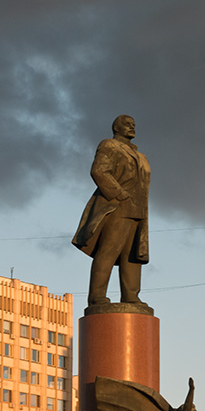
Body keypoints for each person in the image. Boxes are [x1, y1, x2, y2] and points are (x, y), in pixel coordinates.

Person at [73, 114, 151, 307]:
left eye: (134, 124)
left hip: (138, 209)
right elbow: (99, 171)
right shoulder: (109, 145)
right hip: (117, 206)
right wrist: (119, 194)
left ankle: (131, 296)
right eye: (127, 124)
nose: (132, 127)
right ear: (116, 128)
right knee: (109, 250)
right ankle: (97, 296)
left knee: (132, 257)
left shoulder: (140, 156)